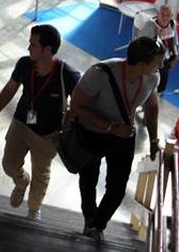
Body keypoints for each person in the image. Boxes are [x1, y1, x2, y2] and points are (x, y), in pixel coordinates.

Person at [69, 36, 164, 241]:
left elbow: (151, 105)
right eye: (158, 63)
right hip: (92, 133)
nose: (161, 66)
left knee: (118, 187)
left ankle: (97, 226)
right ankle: (89, 216)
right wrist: (110, 127)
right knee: (89, 180)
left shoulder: (152, 77)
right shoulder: (99, 74)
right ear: (141, 64)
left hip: (124, 136)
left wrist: (154, 140)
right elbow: (76, 106)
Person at [0, 25, 81, 222]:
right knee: (9, 165)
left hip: (48, 134)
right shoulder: (24, 64)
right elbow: (10, 89)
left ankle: (33, 210)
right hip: (21, 124)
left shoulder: (67, 75)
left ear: (48, 49)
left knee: (41, 174)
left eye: (33, 44)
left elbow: (79, 108)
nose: (29, 48)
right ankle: (21, 182)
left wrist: (62, 131)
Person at [137, 5, 179, 95]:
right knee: (147, 82)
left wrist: (175, 55)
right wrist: (157, 37)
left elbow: (174, 41)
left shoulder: (172, 24)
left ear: (171, 16)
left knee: (161, 84)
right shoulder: (149, 26)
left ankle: (158, 93)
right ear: (158, 14)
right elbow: (143, 45)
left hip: (165, 57)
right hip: (151, 57)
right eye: (162, 15)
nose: (164, 18)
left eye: (168, 15)